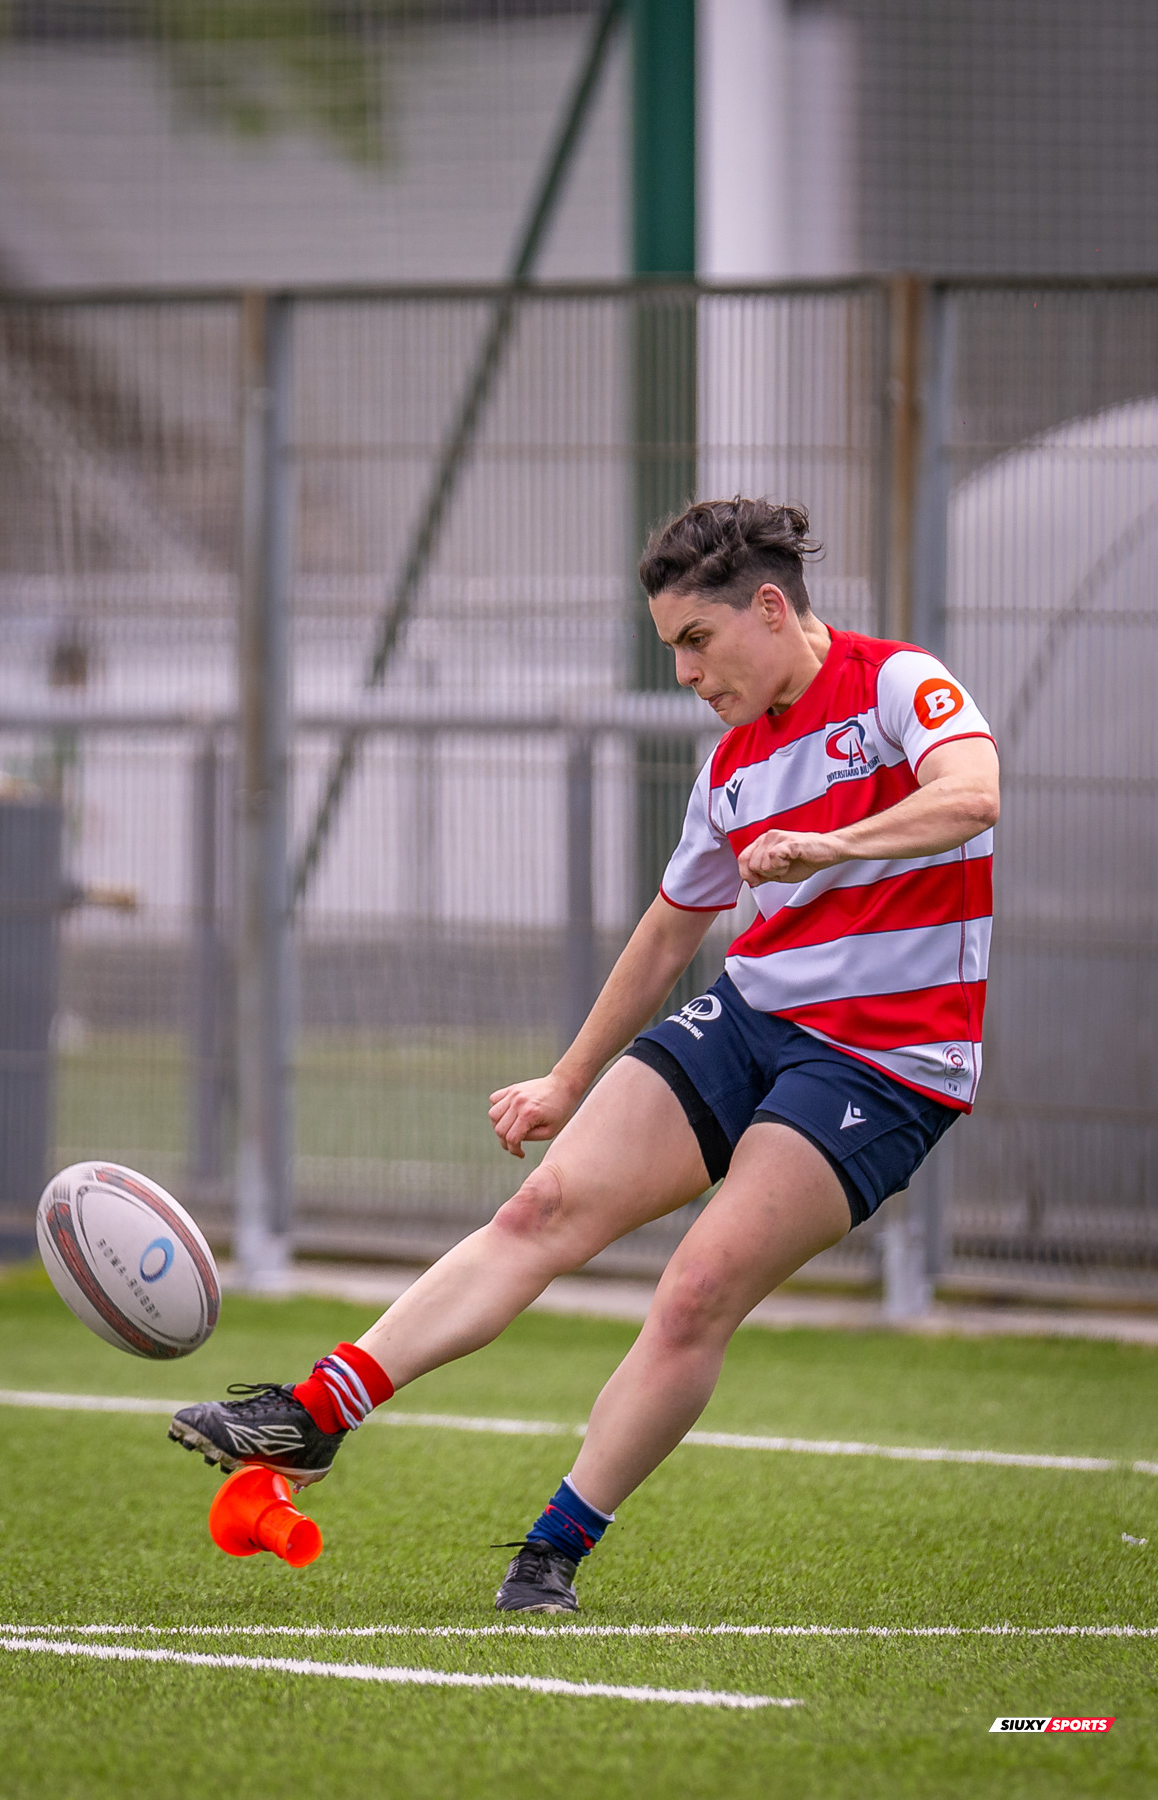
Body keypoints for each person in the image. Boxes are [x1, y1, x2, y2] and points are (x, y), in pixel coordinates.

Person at [170, 497, 999, 1613]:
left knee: (697, 1287)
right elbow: (669, 932)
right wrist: (568, 1077)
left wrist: (834, 842)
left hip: (888, 1059)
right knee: (541, 1209)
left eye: (696, 642)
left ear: (768, 606)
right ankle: (316, 1414)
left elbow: (974, 793)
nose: (687, 675)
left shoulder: (900, 685)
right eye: (672, 653)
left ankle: (549, 1552)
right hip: (755, 1016)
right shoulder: (729, 774)